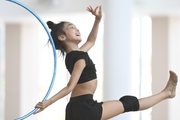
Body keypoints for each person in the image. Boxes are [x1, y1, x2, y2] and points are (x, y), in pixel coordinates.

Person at [34, 5, 178, 120]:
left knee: (128, 103)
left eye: (76, 27)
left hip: (79, 106)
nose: (77, 29)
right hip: (84, 108)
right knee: (130, 103)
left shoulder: (74, 55)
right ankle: (166, 93)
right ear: (62, 37)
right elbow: (70, 87)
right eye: (71, 27)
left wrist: (97, 20)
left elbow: (91, 41)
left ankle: (166, 93)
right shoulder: (79, 58)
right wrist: (48, 103)